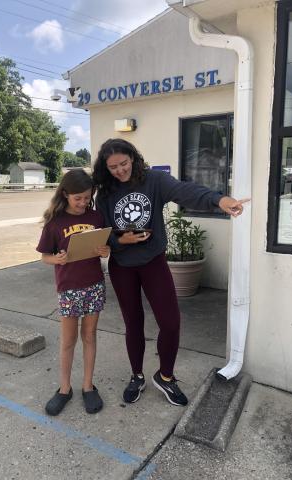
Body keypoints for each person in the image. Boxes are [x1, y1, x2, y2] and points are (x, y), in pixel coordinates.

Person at [93, 138, 248, 407]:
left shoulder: (153, 180)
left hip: (153, 261)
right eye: (113, 167)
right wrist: (120, 242)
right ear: (105, 168)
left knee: (171, 322)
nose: (119, 170)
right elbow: (103, 234)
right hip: (122, 267)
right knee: (133, 324)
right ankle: (137, 375)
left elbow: (185, 191)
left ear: (134, 158)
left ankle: (165, 376)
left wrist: (219, 200)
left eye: (124, 163)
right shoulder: (104, 193)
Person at [36, 169, 110, 415]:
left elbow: (104, 246)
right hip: (68, 289)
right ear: (65, 194)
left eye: (87, 197)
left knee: (90, 337)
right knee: (68, 341)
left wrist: (104, 251)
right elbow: (44, 257)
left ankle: (88, 386)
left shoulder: (97, 217)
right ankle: (64, 389)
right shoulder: (55, 223)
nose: (82, 203)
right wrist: (56, 260)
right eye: (77, 198)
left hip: (94, 285)